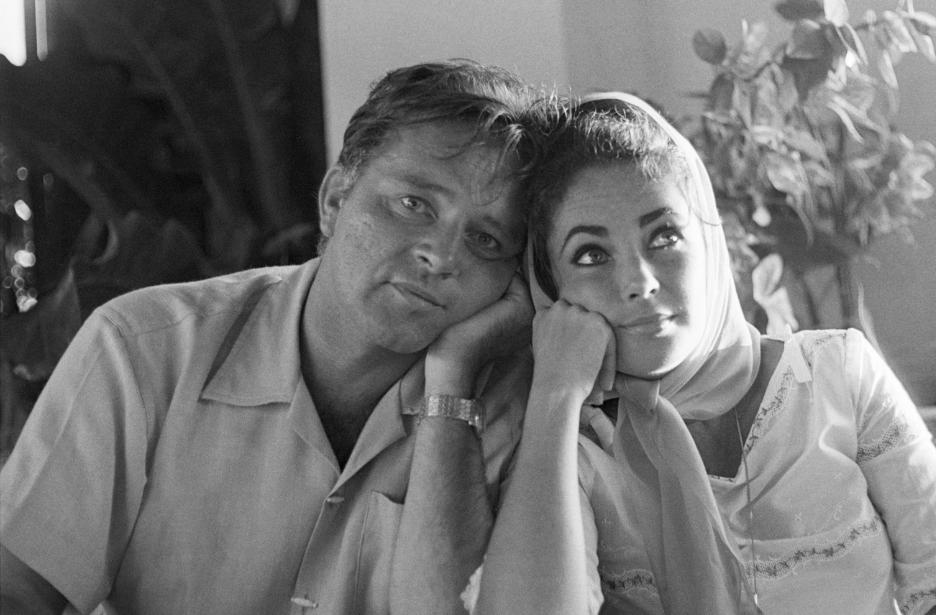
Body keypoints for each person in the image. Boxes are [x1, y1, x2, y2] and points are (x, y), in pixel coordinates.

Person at [0, 60, 546, 615]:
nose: (443, 256)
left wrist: (452, 383)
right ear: (335, 200)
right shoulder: (142, 350)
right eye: (414, 205)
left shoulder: (516, 410)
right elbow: (17, 592)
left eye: (486, 240)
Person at [475, 93, 936, 615]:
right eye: (591, 254)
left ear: (707, 242)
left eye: (664, 236)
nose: (639, 281)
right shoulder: (575, 449)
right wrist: (554, 394)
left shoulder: (837, 375)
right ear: (552, 290)